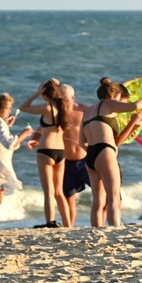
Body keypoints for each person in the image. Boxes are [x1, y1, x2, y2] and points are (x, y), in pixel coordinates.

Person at [80, 78, 142, 227]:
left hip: (91, 155)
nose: (122, 103)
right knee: (114, 199)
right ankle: (115, 230)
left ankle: (95, 232)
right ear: (114, 94)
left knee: (98, 202)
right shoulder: (108, 104)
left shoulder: (87, 112)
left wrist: (133, 123)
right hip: (105, 151)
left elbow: (83, 142)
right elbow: (134, 106)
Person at [19, 78, 72, 228]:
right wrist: (56, 84)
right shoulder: (64, 108)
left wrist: (36, 94)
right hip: (60, 151)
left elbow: (24, 107)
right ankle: (68, 224)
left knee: (48, 191)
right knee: (59, 192)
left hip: (46, 151)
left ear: (45, 93)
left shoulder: (47, 108)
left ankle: (50, 222)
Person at [0, 93, 34, 230]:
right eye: (7, 108)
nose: (9, 111)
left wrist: (7, 126)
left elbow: (1, 143)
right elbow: (9, 143)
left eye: (10, 108)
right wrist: (25, 134)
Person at [59, 84, 90, 226]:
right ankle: (69, 227)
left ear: (72, 98)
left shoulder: (84, 111)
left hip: (85, 159)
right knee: (69, 198)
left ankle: (101, 223)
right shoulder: (56, 113)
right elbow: (40, 131)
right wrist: (34, 140)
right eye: (60, 99)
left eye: (65, 99)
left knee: (101, 192)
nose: (63, 102)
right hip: (66, 162)